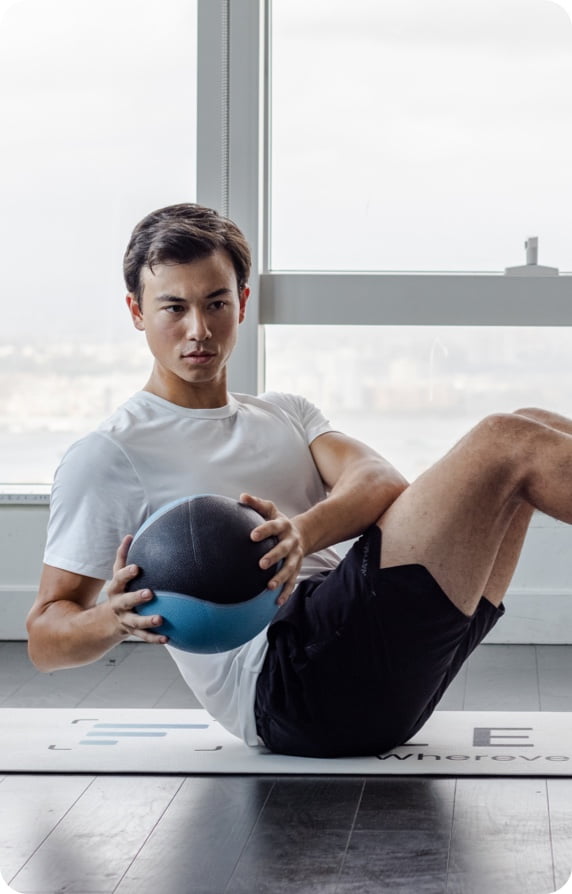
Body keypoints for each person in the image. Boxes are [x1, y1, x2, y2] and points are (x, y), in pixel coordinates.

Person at [26, 202, 572, 758]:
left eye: (216, 303)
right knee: (508, 442)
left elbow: (380, 479)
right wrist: (112, 620)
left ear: (240, 303)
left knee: (534, 425)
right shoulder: (111, 452)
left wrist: (301, 534)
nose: (199, 329)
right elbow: (45, 638)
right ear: (137, 312)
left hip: (355, 652)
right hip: (287, 685)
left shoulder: (284, 412)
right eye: (174, 308)